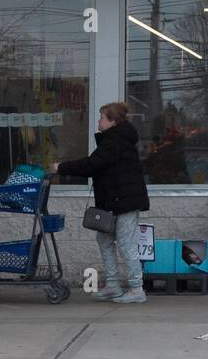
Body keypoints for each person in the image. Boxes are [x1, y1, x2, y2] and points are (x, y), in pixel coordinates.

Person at [53, 102, 150, 304]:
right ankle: (113, 285)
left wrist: (60, 167)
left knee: (125, 244)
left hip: (124, 201)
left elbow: (91, 165)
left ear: (112, 121)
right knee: (104, 240)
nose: (99, 121)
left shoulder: (115, 141)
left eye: (102, 117)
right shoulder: (116, 139)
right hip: (114, 200)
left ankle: (136, 288)